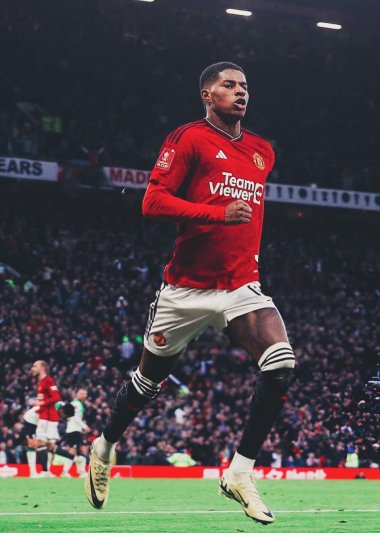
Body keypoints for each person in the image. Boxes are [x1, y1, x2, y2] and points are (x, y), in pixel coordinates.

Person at [85, 61, 295, 525]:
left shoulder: (262, 151)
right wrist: (218, 214)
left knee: (281, 364)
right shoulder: (188, 138)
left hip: (240, 285)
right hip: (185, 291)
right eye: (228, 85)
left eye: (244, 86)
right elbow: (152, 201)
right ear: (207, 95)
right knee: (146, 384)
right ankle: (104, 446)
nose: (240, 92)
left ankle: (239, 473)